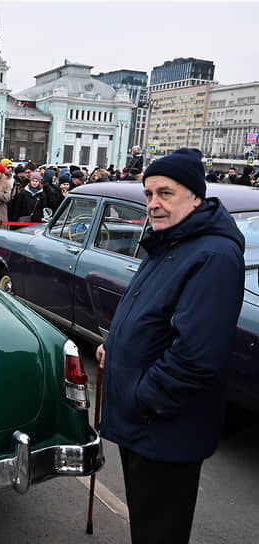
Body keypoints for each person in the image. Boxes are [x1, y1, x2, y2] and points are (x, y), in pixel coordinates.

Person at [96, 148, 245, 544]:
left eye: (166, 193)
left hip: (163, 427)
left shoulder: (213, 255)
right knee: (147, 526)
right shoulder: (173, 241)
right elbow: (148, 311)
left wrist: (144, 399)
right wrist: (115, 344)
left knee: (159, 532)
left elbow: (197, 357)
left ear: (196, 196)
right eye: (148, 194)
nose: (154, 204)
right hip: (146, 423)